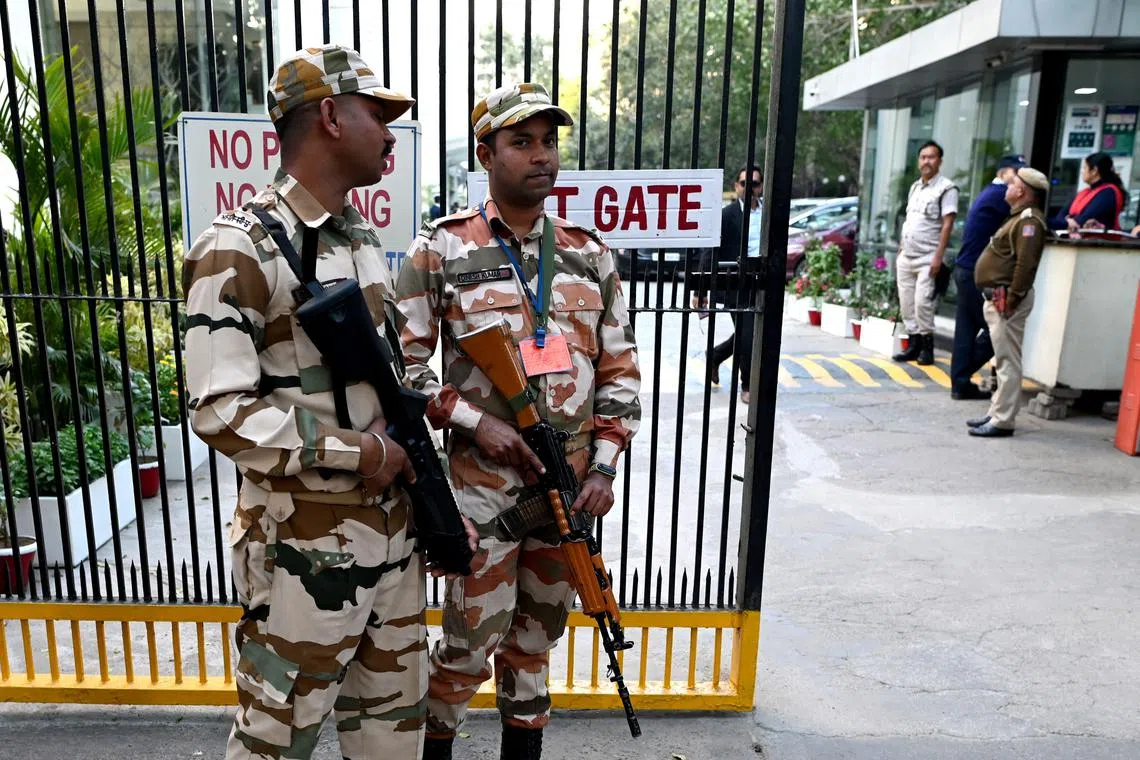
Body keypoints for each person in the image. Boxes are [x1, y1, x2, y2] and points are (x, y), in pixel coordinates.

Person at [183, 45, 474, 760]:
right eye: (377, 113)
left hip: (393, 542)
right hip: (302, 553)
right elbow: (218, 409)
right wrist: (361, 452)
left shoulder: (361, 238)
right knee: (274, 741)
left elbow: (376, 382)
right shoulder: (238, 248)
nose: (389, 130)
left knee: (390, 735)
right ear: (330, 118)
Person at [394, 82, 642, 760]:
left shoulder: (590, 253)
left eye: (549, 142)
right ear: (485, 154)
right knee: (468, 649)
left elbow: (620, 372)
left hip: (570, 488)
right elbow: (405, 374)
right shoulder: (440, 250)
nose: (542, 156)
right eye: (521, 142)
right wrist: (478, 421)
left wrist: (607, 468)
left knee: (534, 645)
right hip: (484, 491)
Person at [968, 166, 1051, 438]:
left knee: (1008, 362)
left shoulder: (1029, 221)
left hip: (1007, 302)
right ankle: (996, 412)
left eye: (1011, 183)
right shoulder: (1018, 217)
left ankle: (1003, 420)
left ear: (1022, 191)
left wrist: (1012, 299)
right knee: (1002, 361)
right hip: (1000, 299)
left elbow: (1026, 266)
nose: (1007, 187)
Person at [949, 155, 1025, 400]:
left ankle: (960, 383)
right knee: (996, 329)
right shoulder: (999, 196)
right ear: (1004, 173)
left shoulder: (990, 193)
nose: (1020, 181)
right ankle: (962, 377)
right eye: (1017, 173)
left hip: (966, 269)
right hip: (975, 273)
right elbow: (1024, 219)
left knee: (967, 328)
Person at [693, 165, 763, 404]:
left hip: (762, 281)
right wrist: (700, 291)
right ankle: (747, 386)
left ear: (761, 187)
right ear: (736, 186)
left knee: (751, 331)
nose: (749, 188)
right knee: (748, 333)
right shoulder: (727, 215)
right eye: (744, 183)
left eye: (754, 184)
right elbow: (709, 252)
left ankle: (715, 355)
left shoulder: (767, 215)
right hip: (737, 282)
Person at [893, 140, 958, 366]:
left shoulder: (947, 189)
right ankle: (913, 345)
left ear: (939, 161)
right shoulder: (915, 187)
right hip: (907, 256)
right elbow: (910, 220)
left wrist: (938, 257)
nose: (926, 161)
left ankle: (927, 348)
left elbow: (947, 225)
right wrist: (901, 249)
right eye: (923, 157)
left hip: (928, 257)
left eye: (931, 157)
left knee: (923, 304)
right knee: (907, 303)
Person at [1049, 152, 1128, 232]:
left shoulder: (1108, 192)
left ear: (1094, 171)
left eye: (1085, 168)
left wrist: (1068, 221)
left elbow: (1084, 218)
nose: (1082, 172)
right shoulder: (1084, 193)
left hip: (1100, 241)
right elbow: (1060, 216)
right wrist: (1067, 222)